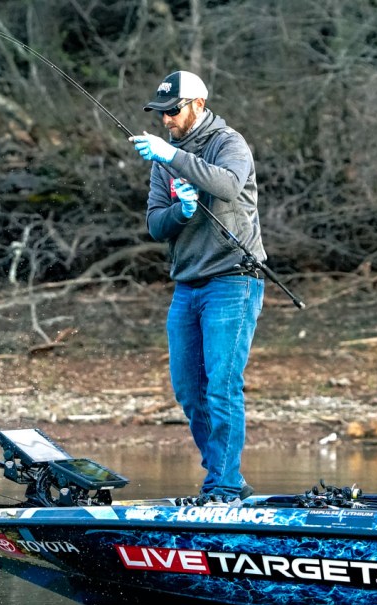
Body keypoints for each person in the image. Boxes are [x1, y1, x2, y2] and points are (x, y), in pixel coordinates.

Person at [128, 71, 265, 506]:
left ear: (198, 105)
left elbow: (227, 184)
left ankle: (224, 487)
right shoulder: (162, 160)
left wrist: (173, 155)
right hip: (187, 285)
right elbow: (155, 224)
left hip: (233, 279)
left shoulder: (229, 143)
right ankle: (224, 477)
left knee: (222, 385)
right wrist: (183, 211)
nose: (166, 119)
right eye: (161, 112)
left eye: (173, 110)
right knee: (189, 389)